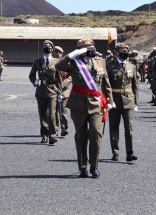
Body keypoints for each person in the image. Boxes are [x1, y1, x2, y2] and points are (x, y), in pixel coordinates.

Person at [54, 39, 113, 178]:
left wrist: (109, 100)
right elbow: (58, 65)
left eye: (92, 46)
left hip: (96, 104)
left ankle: (94, 166)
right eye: (88, 47)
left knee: (95, 133)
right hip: (78, 104)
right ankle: (83, 167)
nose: (91, 48)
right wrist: (72, 54)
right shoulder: (73, 62)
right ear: (81, 50)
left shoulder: (100, 61)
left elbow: (106, 81)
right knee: (81, 136)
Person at [106, 43, 139, 162]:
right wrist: (107, 100)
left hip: (128, 99)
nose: (125, 52)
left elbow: (135, 85)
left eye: (126, 50)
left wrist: (136, 102)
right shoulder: (109, 66)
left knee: (129, 127)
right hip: (114, 100)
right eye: (122, 50)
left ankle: (129, 152)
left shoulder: (131, 65)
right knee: (114, 127)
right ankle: (115, 151)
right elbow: (106, 84)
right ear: (116, 52)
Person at [28, 40, 62, 145]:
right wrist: (35, 81)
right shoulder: (37, 61)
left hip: (52, 91)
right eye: (45, 46)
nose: (47, 48)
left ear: (52, 49)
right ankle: (44, 135)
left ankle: (52, 136)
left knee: (52, 114)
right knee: (43, 114)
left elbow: (59, 78)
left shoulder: (56, 62)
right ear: (42, 49)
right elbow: (31, 75)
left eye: (48, 46)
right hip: (41, 90)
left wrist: (60, 92)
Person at [54, 46, 71, 136]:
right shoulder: (52, 62)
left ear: (62, 53)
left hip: (64, 90)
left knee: (63, 109)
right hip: (53, 89)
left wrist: (65, 83)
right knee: (54, 110)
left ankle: (64, 127)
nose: (58, 54)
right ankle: (55, 128)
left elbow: (71, 75)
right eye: (56, 52)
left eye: (59, 52)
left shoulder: (67, 64)